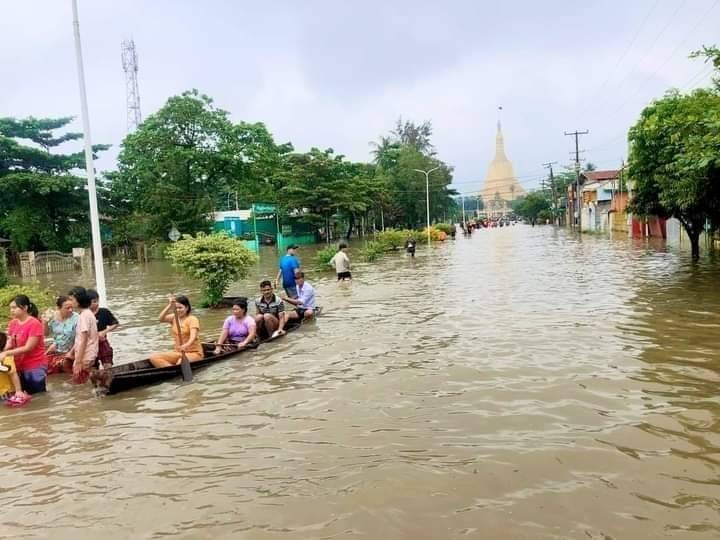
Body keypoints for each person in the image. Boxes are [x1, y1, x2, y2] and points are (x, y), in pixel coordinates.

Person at [0, 295, 47, 405]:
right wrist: (2, 351)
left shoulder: (34, 323)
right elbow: (10, 342)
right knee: (22, 396)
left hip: (34, 365)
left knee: (38, 397)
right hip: (19, 364)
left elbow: (28, 347)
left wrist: (6, 353)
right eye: (11, 308)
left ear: (25, 308)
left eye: (15, 307)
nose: (12, 310)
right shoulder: (13, 323)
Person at [149, 295, 204, 368]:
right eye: (176, 308)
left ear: (187, 308)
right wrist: (169, 305)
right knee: (154, 358)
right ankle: (170, 371)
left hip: (194, 353)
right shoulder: (174, 317)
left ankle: (174, 370)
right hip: (178, 352)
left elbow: (193, 336)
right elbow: (161, 319)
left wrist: (186, 345)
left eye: (180, 307)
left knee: (180, 363)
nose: (178, 310)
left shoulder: (192, 319)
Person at [68, 286, 99, 384]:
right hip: (88, 354)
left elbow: (84, 340)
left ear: (78, 300)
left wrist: (78, 361)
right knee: (85, 382)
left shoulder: (84, 316)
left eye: (72, 299)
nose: (70, 302)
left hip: (86, 355)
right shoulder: (87, 314)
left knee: (79, 385)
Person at [45, 295, 78, 374]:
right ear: (59, 308)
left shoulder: (77, 318)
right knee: (43, 365)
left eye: (72, 307)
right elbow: (46, 334)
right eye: (67, 308)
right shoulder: (52, 317)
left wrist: (70, 353)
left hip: (72, 351)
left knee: (65, 367)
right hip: (56, 349)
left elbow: (80, 339)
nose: (71, 310)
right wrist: (44, 322)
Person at [87, 289, 119, 368]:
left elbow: (115, 323)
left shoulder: (104, 312)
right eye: (92, 302)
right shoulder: (84, 315)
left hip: (102, 342)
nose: (95, 304)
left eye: (96, 301)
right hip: (90, 345)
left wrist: (104, 332)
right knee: (92, 369)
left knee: (108, 364)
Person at [0, 332, 25, 407]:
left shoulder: (5, 359)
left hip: (7, 393)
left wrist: (18, 390)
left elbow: (13, 374)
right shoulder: (5, 358)